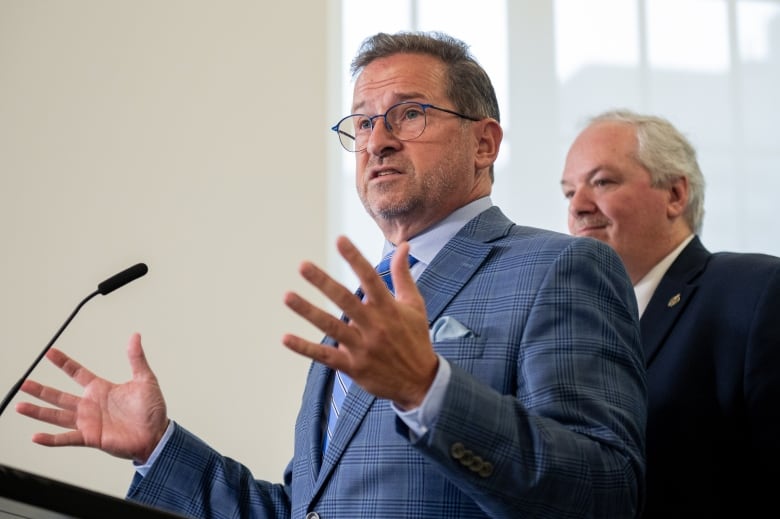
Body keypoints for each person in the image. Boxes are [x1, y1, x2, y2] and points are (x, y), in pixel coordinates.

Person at [16, 32, 647, 518]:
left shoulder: (560, 268)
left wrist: (429, 391)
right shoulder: (357, 308)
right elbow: (302, 510)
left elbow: (605, 490)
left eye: (410, 113)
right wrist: (159, 447)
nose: (378, 141)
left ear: (484, 143)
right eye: (364, 122)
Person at [560, 109, 780, 517]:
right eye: (569, 193)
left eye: (602, 182)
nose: (579, 207)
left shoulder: (756, 290)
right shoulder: (578, 324)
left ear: (676, 194)